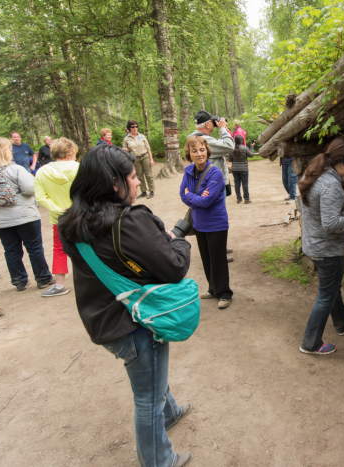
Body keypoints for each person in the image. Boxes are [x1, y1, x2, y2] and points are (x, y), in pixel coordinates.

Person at [59, 144, 193, 467]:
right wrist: (177, 237)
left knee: (152, 379)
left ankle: (170, 411)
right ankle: (159, 460)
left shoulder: (71, 222)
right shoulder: (127, 222)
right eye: (132, 177)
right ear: (113, 184)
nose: (137, 183)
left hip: (103, 319)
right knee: (147, 397)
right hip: (135, 322)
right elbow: (174, 266)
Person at [298, 138, 344, 355]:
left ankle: (343, 323)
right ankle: (311, 343)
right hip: (327, 251)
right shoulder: (331, 185)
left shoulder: (314, 173)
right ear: (343, 163)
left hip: (315, 245)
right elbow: (331, 223)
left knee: (331, 288)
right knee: (326, 295)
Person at [0, 137, 54, 291]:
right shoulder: (15, 169)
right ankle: (43, 278)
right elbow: (31, 189)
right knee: (34, 248)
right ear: (4, 151)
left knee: (11, 250)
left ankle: (19, 281)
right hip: (24, 216)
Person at [180, 135, 232, 309]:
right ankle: (212, 289)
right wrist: (194, 197)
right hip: (199, 224)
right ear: (189, 153)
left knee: (218, 260)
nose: (199, 154)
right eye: (194, 151)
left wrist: (190, 196)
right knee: (206, 259)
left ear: (207, 151)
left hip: (216, 223)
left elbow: (207, 201)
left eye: (202, 150)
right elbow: (182, 195)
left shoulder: (215, 173)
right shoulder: (188, 171)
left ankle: (224, 293)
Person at [34, 137, 80, 297]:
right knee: (91, 246)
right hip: (81, 216)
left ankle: (60, 285)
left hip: (59, 218)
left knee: (59, 250)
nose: (75, 157)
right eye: (74, 154)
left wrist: (58, 209)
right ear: (68, 154)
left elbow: (40, 197)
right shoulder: (79, 168)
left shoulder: (42, 172)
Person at [188, 111, 235, 259]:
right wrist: (222, 129)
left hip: (207, 184)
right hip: (211, 186)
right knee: (215, 219)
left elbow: (221, 147)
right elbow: (228, 146)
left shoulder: (196, 138)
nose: (215, 125)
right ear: (207, 124)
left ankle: (219, 247)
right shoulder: (201, 141)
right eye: (213, 122)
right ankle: (217, 253)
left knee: (213, 218)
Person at [123, 120, 155, 199]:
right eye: (133, 127)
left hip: (145, 156)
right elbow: (125, 149)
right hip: (135, 159)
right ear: (129, 128)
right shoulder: (126, 139)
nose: (135, 128)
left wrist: (151, 159)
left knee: (148, 174)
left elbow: (148, 148)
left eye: (136, 126)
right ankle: (143, 191)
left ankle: (151, 191)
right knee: (139, 175)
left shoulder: (142, 136)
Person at [227, 135, 254, 204]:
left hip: (235, 169)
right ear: (242, 141)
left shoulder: (232, 149)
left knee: (237, 183)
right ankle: (246, 199)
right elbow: (251, 155)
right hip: (244, 169)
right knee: (245, 183)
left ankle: (239, 198)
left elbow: (229, 159)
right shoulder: (245, 148)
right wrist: (252, 146)